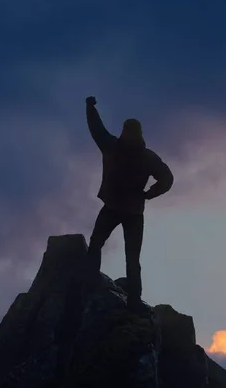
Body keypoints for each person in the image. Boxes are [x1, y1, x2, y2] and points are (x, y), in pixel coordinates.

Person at [84, 96, 173, 310]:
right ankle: (133, 300)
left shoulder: (113, 146)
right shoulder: (146, 156)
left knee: (97, 244)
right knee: (131, 258)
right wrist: (149, 194)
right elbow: (167, 178)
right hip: (132, 210)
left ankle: (89, 283)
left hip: (116, 208)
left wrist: (90, 107)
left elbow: (96, 128)